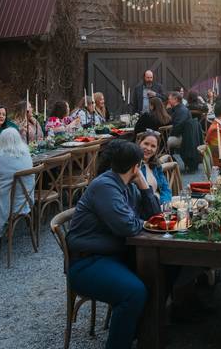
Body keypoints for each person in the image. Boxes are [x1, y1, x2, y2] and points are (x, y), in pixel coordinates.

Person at [66, 140, 160, 349]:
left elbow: (156, 217)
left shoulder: (128, 186)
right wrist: (142, 223)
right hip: (87, 262)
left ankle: (146, 333)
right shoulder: (105, 186)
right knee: (133, 292)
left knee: (163, 270)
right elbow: (128, 226)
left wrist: (144, 186)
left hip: (114, 256)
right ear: (136, 167)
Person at [137, 130, 172, 202]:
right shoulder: (134, 166)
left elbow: (165, 189)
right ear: (139, 143)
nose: (149, 148)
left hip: (159, 205)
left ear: (156, 149)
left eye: (153, 146)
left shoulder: (156, 165)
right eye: (146, 144)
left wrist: (163, 203)